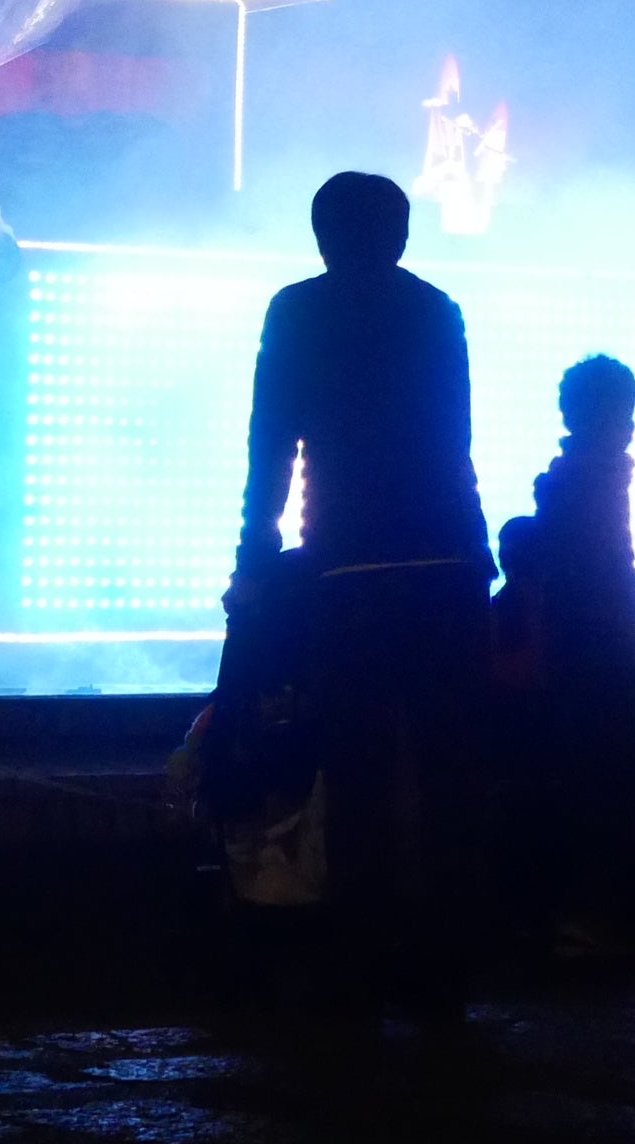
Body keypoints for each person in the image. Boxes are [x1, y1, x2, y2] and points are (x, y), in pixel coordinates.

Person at [237, 170, 493, 1021]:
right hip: (447, 563)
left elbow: (272, 441)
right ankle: (446, 973)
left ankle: (356, 964)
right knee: (451, 773)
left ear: (322, 236)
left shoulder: (298, 311)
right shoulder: (437, 310)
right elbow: (453, 440)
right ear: (401, 233)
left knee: (357, 770)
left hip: (350, 570)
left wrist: (255, 552)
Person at [489, 353, 635, 951]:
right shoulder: (588, 487)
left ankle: (582, 912)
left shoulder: (573, 485)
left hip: (589, 653)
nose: (631, 427)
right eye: (624, 414)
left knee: (602, 780)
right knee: (622, 778)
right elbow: (596, 580)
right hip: (599, 654)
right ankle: (588, 912)